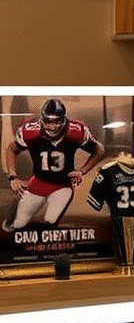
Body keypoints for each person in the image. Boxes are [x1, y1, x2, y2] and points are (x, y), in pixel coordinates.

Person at [2, 98, 104, 232]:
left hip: (62, 185)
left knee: (50, 222)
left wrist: (82, 171)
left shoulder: (76, 131)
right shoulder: (31, 131)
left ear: (64, 119)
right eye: (49, 121)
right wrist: (13, 177)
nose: (53, 125)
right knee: (18, 224)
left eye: (57, 121)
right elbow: (11, 149)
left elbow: (99, 149)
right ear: (42, 119)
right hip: (38, 182)